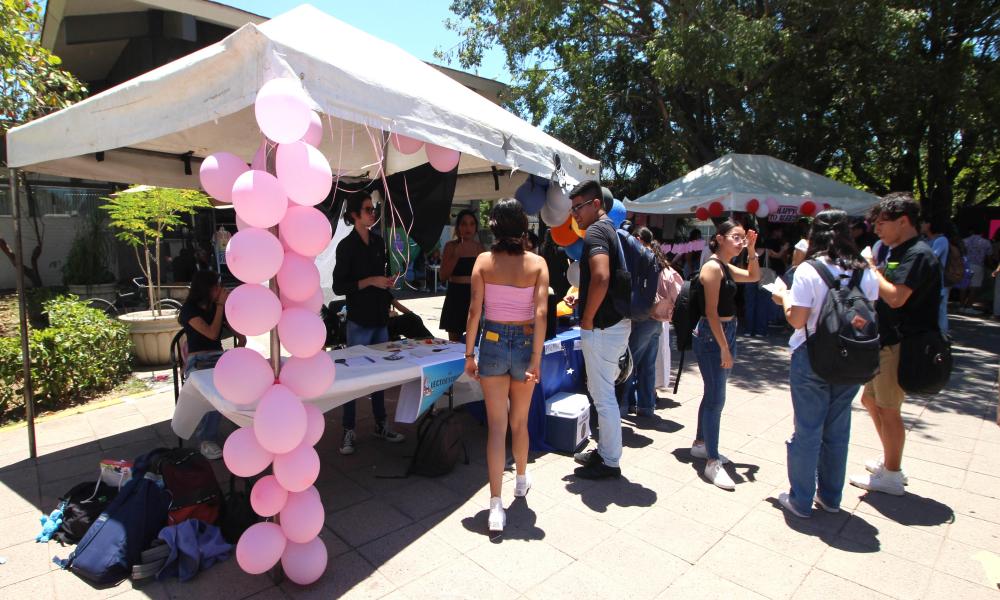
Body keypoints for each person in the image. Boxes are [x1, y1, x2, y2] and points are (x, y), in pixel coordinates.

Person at [770, 210, 879, 517]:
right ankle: (831, 497)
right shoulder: (865, 271)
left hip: (812, 355)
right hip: (852, 354)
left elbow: (798, 320)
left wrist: (784, 298)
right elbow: (867, 313)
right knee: (838, 429)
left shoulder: (808, 270)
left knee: (807, 429)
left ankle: (801, 499)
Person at [463, 199, 549, 533]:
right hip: (527, 344)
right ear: (524, 227)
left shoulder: (484, 261)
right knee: (520, 423)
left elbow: (474, 312)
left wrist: (469, 354)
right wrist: (537, 359)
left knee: (497, 427)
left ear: (494, 226)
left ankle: (495, 506)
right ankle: (521, 481)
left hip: (494, 342)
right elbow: (541, 313)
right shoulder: (538, 264)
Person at [850, 193, 942, 495]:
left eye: (882, 223)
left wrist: (871, 267)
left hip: (901, 343)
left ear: (903, 221)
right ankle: (891, 460)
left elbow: (895, 296)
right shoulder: (899, 250)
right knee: (871, 401)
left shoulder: (917, 254)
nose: (876, 229)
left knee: (889, 408)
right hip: (886, 340)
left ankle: (892, 473)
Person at [332, 192, 408, 455]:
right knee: (355, 378)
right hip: (358, 321)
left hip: (379, 319)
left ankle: (380, 424)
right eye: (367, 209)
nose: (372, 212)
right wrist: (370, 281)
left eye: (373, 208)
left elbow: (380, 278)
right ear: (354, 215)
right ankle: (348, 429)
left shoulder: (378, 242)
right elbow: (338, 285)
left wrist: (386, 284)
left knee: (381, 377)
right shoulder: (346, 246)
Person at [565, 180, 631, 480]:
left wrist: (587, 317)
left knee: (603, 395)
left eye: (578, 207)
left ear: (595, 205)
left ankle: (610, 460)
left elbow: (601, 277)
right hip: (614, 324)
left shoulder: (595, 231)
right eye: (571, 208)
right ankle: (605, 450)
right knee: (601, 391)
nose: (574, 214)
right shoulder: (609, 230)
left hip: (604, 326)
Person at [692, 219, 760, 490]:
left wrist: (752, 249)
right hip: (713, 333)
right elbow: (710, 312)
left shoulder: (725, 266)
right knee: (716, 399)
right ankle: (712, 461)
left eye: (743, 238)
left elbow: (754, 276)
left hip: (726, 330)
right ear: (719, 238)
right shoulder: (712, 267)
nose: (741, 242)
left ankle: (701, 443)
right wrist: (723, 347)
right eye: (736, 237)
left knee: (712, 393)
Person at [178, 271, 246, 459]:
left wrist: (232, 311)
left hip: (219, 358)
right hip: (198, 360)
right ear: (206, 289)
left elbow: (241, 337)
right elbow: (212, 334)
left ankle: (243, 428)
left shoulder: (217, 307)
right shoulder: (189, 310)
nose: (221, 290)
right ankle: (206, 439)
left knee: (245, 384)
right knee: (214, 390)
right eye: (216, 286)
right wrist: (221, 306)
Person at [619, 227, 672, 417]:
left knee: (630, 363)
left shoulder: (643, 259)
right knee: (648, 365)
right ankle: (647, 406)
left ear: (638, 239)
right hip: (658, 320)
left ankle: (623, 406)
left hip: (645, 318)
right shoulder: (660, 259)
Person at [440, 210, 485, 341]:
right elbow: (443, 276)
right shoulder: (451, 246)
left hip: (474, 296)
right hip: (455, 296)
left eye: (471, 224)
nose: (468, 228)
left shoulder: (480, 248)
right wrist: (456, 255)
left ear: (476, 228)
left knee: (475, 340)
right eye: (464, 224)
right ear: (458, 227)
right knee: (454, 344)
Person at [921, 218, 951, 333]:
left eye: (923, 222)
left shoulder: (941, 240)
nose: (921, 225)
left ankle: (942, 337)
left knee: (940, 310)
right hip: (927, 281)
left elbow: (931, 257)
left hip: (938, 281)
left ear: (929, 224)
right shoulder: (925, 240)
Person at [960, 226, 993, 314]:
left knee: (964, 286)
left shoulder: (964, 241)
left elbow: (961, 253)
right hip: (978, 266)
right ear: (982, 233)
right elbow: (989, 257)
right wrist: (991, 266)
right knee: (974, 287)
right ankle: (969, 307)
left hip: (965, 265)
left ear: (972, 231)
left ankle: (961, 306)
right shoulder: (986, 242)